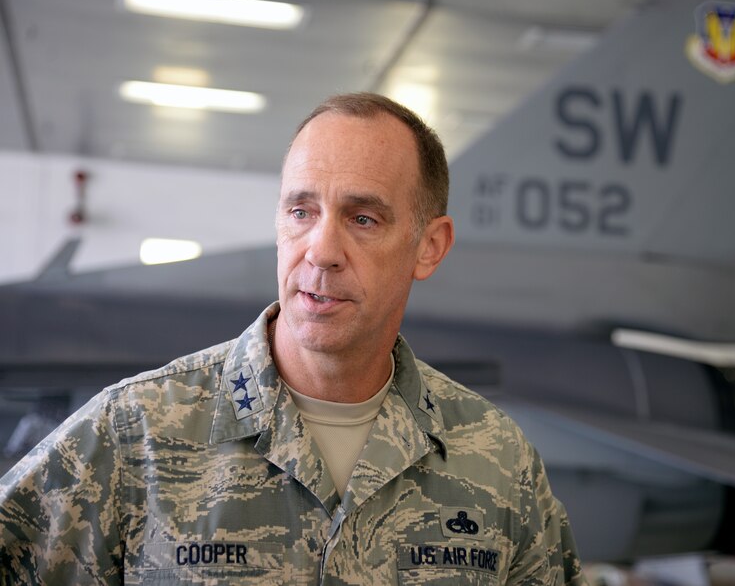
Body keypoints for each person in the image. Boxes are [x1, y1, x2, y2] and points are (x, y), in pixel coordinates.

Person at [0, 93, 585, 584]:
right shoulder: (134, 436)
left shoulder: (500, 462)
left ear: (429, 245)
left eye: (364, 219)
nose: (322, 252)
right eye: (301, 211)